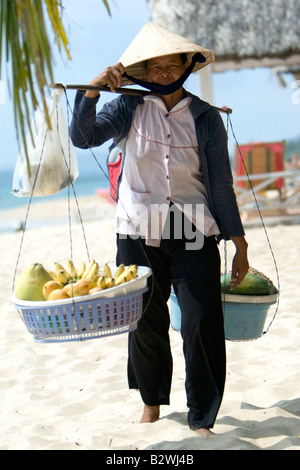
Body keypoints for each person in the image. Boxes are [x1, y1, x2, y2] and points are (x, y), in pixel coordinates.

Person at [70, 23, 249, 437]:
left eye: (173, 63)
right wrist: (93, 90)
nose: (166, 71)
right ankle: (151, 403)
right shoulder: (128, 107)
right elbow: (83, 138)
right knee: (145, 321)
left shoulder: (206, 117)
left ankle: (202, 416)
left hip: (194, 230)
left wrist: (239, 243)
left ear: (188, 64)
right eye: (156, 65)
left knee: (201, 321)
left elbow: (220, 185)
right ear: (143, 70)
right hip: (137, 229)